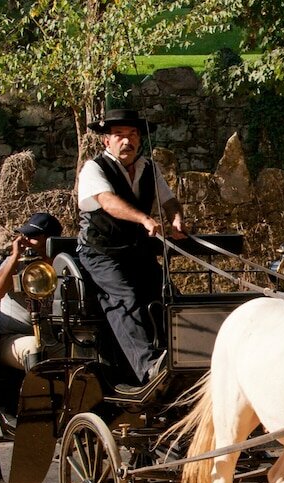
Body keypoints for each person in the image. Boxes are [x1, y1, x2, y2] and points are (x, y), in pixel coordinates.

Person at [76, 108, 186, 386]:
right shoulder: (94, 168)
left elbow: (170, 201)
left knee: (170, 295)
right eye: (119, 136)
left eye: (133, 135)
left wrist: (177, 219)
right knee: (124, 299)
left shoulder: (148, 167)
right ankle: (149, 369)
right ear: (107, 142)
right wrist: (144, 219)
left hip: (136, 250)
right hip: (101, 253)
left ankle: (183, 360)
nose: (127, 141)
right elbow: (108, 201)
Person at [0, 212, 63, 370]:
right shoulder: (16, 264)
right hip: (13, 338)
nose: (26, 241)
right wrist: (15, 257)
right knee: (35, 347)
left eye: (33, 236)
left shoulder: (61, 265)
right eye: (24, 235)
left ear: (50, 241)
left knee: (84, 351)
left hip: (52, 338)